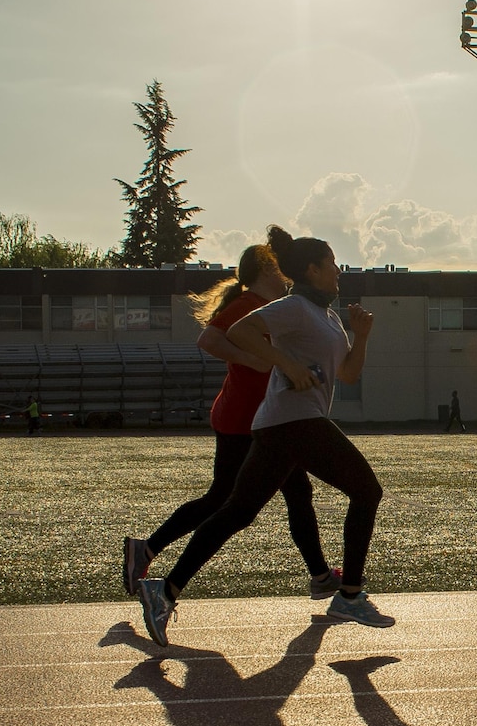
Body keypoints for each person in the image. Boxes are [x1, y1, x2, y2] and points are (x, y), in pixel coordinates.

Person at [138, 226, 390, 642]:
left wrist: (361, 336)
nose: (338, 270)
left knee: (238, 512)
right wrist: (287, 366)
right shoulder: (293, 307)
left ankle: (162, 591)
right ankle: (349, 594)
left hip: (279, 424)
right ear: (312, 269)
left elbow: (346, 373)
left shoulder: (326, 316)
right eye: (331, 263)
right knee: (367, 491)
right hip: (295, 420)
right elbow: (240, 332)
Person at [120, 242, 337, 601]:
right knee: (228, 499)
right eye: (279, 265)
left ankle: (320, 575)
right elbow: (209, 338)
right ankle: (147, 552)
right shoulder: (248, 303)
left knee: (291, 493)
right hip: (245, 419)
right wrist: (251, 361)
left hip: (265, 418)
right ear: (268, 269)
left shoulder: (269, 306)